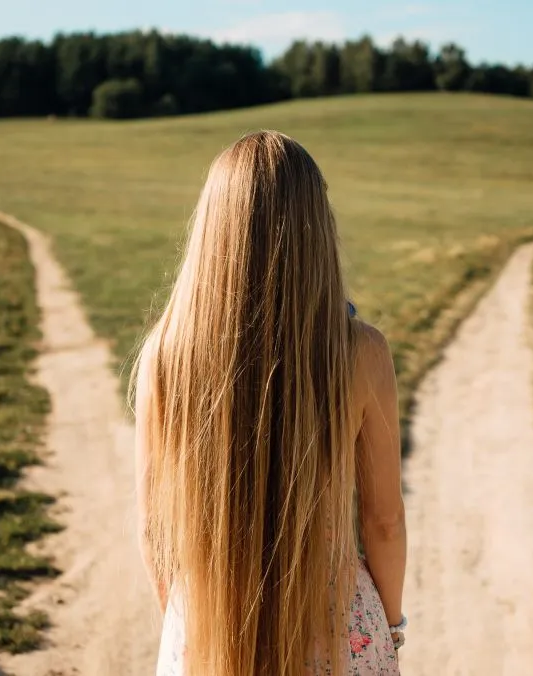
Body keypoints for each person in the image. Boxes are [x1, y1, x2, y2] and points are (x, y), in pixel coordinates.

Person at [132, 130, 407, 676]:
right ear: (316, 229)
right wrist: (391, 629)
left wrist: (188, 621)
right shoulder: (359, 353)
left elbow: (153, 529)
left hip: (206, 629)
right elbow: (384, 521)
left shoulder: (164, 356)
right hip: (340, 633)